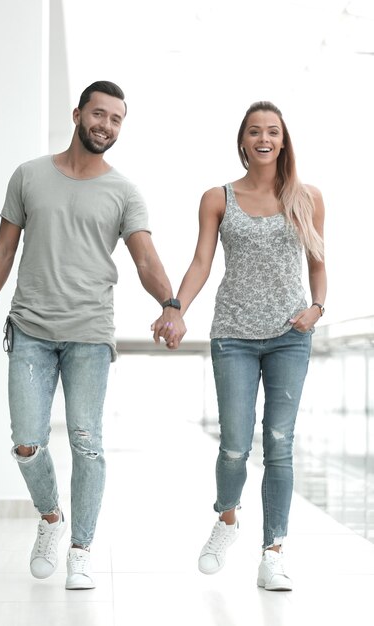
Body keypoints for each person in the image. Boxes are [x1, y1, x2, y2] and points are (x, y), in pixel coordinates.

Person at [0, 80, 185, 590]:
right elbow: (3, 250)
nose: (106, 125)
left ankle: (81, 549)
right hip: (30, 329)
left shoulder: (124, 191)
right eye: (99, 114)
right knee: (26, 442)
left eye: (116, 119)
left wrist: (170, 304)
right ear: (77, 113)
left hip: (89, 332)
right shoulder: (29, 176)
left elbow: (145, 257)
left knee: (87, 443)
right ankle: (50, 519)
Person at [152, 101, 326, 590]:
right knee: (233, 443)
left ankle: (273, 551)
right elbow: (201, 262)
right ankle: (226, 521)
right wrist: (175, 307)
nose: (264, 139)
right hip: (233, 335)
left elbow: (317, 262)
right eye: (255, 131)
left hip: (291, 336)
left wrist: (318, 307)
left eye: (273, 131)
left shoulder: (307, 197)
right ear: (243, 141)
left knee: (278, 442)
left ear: (283, 140)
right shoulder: (217, 198)